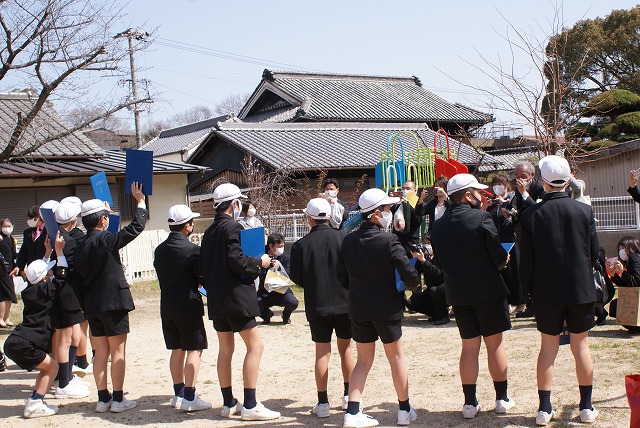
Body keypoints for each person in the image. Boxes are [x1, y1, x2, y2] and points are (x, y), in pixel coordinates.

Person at [519, 155, 600, 425]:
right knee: (581, 347)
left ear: (541, 180)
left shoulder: (531, 215)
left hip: (546, 290)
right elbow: (593, 253)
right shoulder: (584, 210)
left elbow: (526, 262)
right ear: (568, 179)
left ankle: (544, 408)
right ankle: (586, 407)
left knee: (548, 348)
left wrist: (529, 293)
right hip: (580, 287)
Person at [431, 174, 514, 420]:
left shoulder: (438, 225)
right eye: (477, 192)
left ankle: (469, 403)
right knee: (494, 343)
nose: (481, 195)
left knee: (469, 347)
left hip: (458, 293)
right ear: (468, 195)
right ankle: (501, 398)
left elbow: (440, 260)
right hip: (488, 290)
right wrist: (504, 259)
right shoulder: (481, 218)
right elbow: (498, 256)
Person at [337, 188, 420, 427]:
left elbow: (341, 277)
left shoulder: (348, 241)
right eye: (386, 209)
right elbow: (408, 273)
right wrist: (413, 284)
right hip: (387, 308)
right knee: (396, 357)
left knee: (363, 360)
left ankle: (352, 412)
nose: (390, 212)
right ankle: (404, 409)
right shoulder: (389, 240)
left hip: (359, 307)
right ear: (374, 214)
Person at [199, 183, 280, 421]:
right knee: (256, 347)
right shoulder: (233, 227)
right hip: (236, 297)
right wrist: (260, 263)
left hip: (217, 298)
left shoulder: (209, 231)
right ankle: (251, 404)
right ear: (234, 204)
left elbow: (204, 266)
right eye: (240, 203)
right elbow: (237, 260)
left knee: (225, 349)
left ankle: (228, 403)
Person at [74, 183, 147, 413]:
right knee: (118, 352)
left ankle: (103, 398)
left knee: (100, 353)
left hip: (92, 305)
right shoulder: (105, 240)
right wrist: (140, 202)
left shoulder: (81, 246)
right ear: (102, 220)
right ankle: (117, 398)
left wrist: (105, 214)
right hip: (113, 303)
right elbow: (134, 228)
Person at [290, 198, 354, 418]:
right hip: (345, 301)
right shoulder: (343, 238)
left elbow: (296, 276)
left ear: (309, 218)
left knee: (322, 351)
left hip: (317, 303)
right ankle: (348, 397)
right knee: (346, 348)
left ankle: (323, 402)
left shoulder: (301, 245)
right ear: (329, 216)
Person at [3, 232, 67, 418]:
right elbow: (61, 276)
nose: (50, 274)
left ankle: (35, 400)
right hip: (26, 343)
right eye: (48, 273)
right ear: (45, 279)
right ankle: (35, 402)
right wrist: (59, 251)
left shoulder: (31, 290)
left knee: (47, 367)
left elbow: (37, 274)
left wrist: (47, 253)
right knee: (53, 367)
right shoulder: (47, 290)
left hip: (14, 341)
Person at [154, 205, 211, 412]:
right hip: (188, 305)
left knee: (176, 349)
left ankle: (178, 392)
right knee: (194, 349)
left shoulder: (159, 250)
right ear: (187, 226)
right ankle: (190, 395)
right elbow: (202, 278)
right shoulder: (193, 251)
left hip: (167, 306)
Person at [52, 202, 89, 399]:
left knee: (74, 336)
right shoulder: (68, 241)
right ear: (74, 220)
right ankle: (63, 383)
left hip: (65, 293)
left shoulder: (51, 235)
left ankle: (68, 376)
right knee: (65, 339)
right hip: (67, 293)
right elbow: (76, 269)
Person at [483, 174, 526, 314]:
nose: (497, 187)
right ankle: (505, 302)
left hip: (512, 240)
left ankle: (520, 303)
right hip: (496, 242)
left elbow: (517, 217)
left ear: (506, 185)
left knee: (515, 272)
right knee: (501, 273)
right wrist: (485, 207)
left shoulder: (513, 198)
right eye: (494, 184)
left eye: (500, 184)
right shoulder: (491, 202)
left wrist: (505, 206)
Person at [59, 196, 92, 376]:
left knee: (65, 336)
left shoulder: (49, 235)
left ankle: (67, 372)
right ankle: (68, 375)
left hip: (57, 290)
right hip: (70, 291)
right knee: (72, 335)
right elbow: (77, 267)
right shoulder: (72, 239)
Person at [404, 237, 450, 325]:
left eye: (428, 243)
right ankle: (436, 314)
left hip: (445, 288)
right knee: (414, 302)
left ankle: (444, 316)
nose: (426, 245)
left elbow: (439, 273)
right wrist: (415, 259)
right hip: (432, 290)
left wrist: (424, 261)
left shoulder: (443, 256)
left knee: (435, 291)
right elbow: (415, 272)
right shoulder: (424, 257)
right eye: (424, 242)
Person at [257, 232, 299, 325]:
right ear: (271, 246)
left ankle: (285, 316)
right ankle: (266, 315)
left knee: (293, 302)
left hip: (282, 291)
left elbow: (288, 274)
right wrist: (265, 264)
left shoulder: (286, 257)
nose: (281, 248)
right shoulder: (261, 255)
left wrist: (280, 267)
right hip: (265, 292)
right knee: (253, 305)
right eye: (279, 246)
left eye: (283, 246)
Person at [607, 236, 640, 334]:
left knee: (617, 306)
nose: (621, 251)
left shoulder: (635, 258)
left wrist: (622, 271)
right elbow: (627, 286)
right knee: (615, 305)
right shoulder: (631, 260)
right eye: (620, 249)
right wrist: (614, 275)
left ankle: (635, 326)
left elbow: (637, 281)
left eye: (623, 248)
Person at [392, 180, 425, 256]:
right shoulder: (398, 204)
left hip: (411, 243)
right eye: (403, 189)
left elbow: (418, 220)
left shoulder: (419, 205)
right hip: (397, 242)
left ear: (415, 190)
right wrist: (393, 199)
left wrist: (408, 203)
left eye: (408, 188)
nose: (404, 191)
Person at [16, 205, 47, 276]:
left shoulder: (48, 231)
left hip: (45, 268)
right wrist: (19, 266)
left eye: (31, 218)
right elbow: (24, 251)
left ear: (38, 217)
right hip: (32, 271)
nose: (29, 220)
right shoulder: (27, 232)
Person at [0, 218, 18, 328]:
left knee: (10, 295)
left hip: (10, 270)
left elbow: (13, 255)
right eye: (4, 226)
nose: (7, 228)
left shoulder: (11, 239)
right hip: (2, 270)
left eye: (9, 226)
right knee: (5, 295)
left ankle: (6, 318)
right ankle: (0, 319)